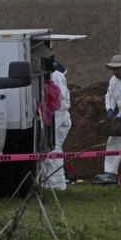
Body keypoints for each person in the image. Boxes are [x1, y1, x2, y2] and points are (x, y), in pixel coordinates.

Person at [43, 57, 71, 191]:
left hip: (59, 118)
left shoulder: (56, 77)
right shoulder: (54, 76)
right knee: (51, 151)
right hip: (57, 117)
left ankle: (57, 184)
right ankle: (50, 183)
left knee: (54, 150)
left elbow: (60, 102)